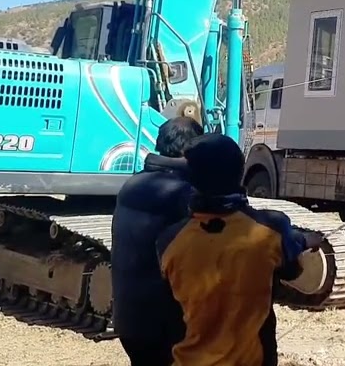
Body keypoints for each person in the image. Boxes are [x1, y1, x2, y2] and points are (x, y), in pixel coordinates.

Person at [156, 133, 321, 366]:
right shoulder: (271, 228)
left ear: (191, 179)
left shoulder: (168, 240)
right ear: (240, 173)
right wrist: (303, 242)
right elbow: (293, 272)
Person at [110, 116, 205, 366]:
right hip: (165, 321)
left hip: (128, 317)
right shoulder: (183, 193)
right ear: (192, 149)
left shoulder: (132, 184)